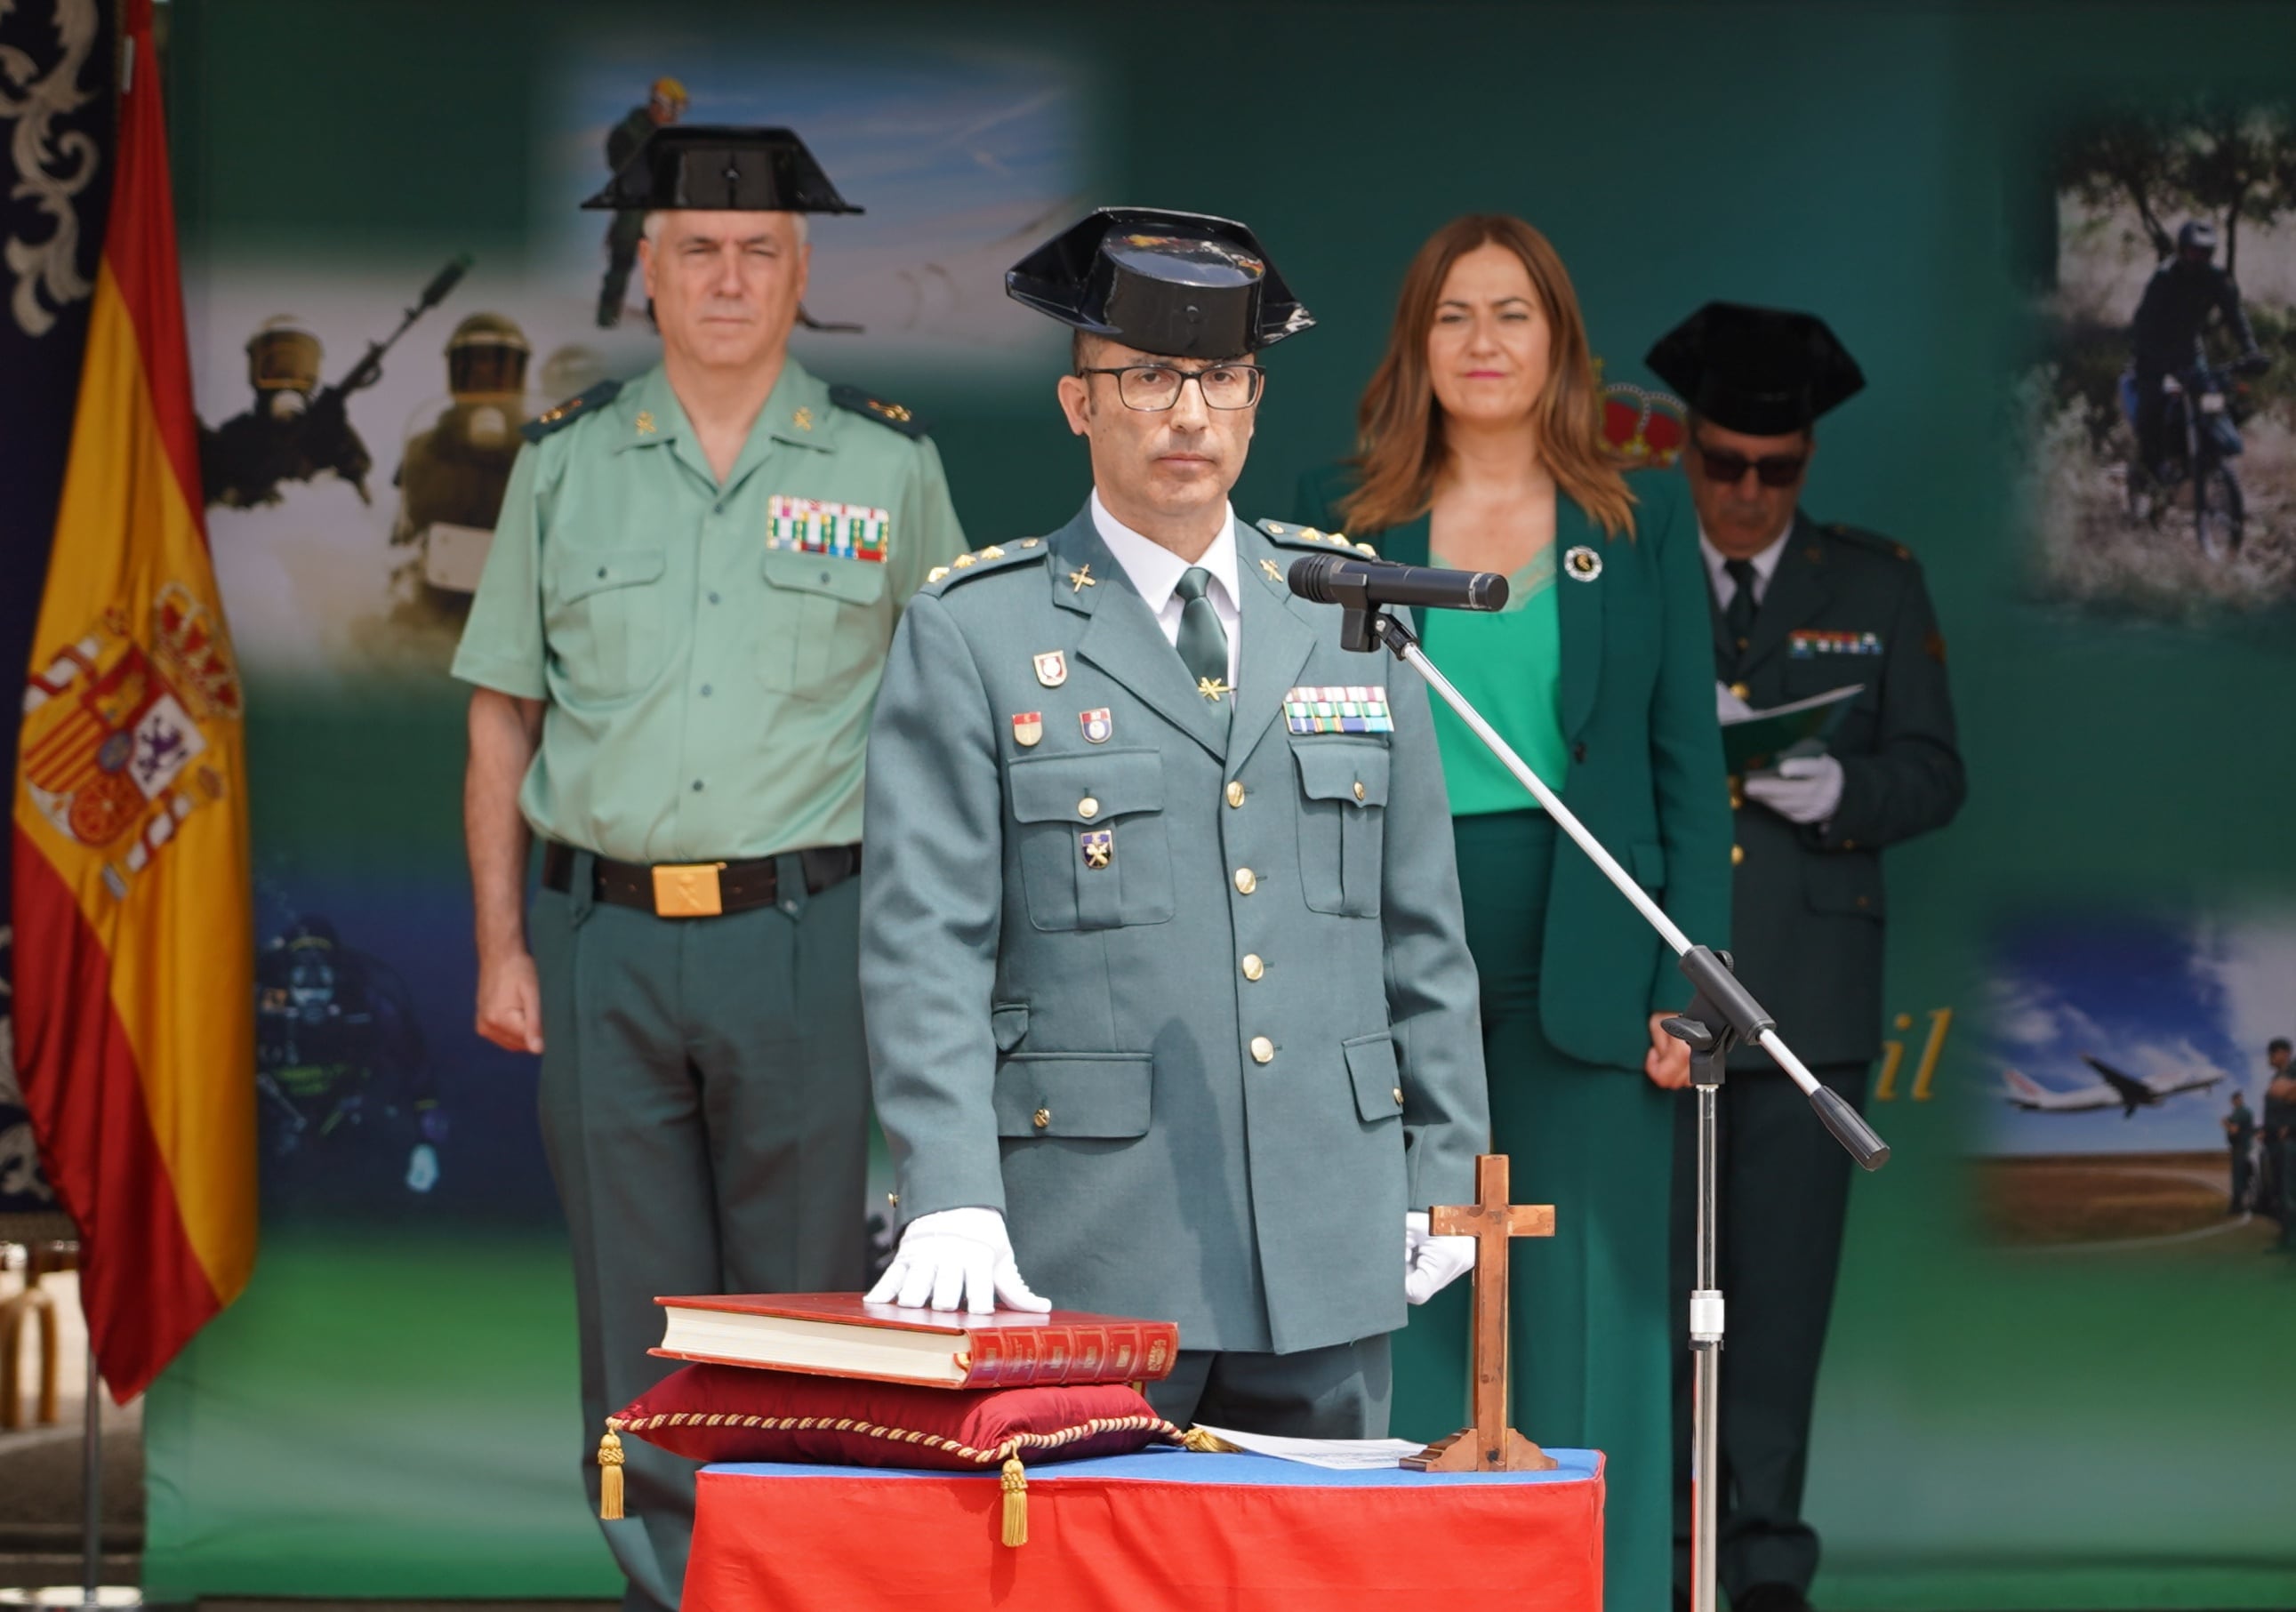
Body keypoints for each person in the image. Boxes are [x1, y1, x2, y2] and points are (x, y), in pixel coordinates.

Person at [860, 208, 1489, 1438]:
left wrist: (1448, 1164)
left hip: (1328, 1226)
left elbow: (1421, 936)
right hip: (1087, 1239)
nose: (1188, 413)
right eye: (1147, 376)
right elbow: (924, 945)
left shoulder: (1348, 618)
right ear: (1076, 405)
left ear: (1254, 402)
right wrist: (946, 1186)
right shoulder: (975, 632)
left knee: (1324, 1573)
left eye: (1220, 378)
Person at [451, 125, 966, 1612]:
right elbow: (502, 719)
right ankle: (664, 1588)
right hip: (601, 939)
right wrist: (502, 945)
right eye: (694, 247)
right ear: (649, 278)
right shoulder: (563, 469)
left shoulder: (887, 464)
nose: (727, 274)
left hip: (811, 938)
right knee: (636, 1321)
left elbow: (954, 732)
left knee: (803, 1311)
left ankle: (794, 1586)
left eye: (757, 250)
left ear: (802, 274)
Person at [1296, 213, 1732, 1612]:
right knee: (1402, 1289)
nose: (1483, 345)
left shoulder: (1640, 515)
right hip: (1379, 951)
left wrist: (1695, 978)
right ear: (1413, 349)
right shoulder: (1340, 522)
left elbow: (1685, 764)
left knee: (1591, 1309)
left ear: (1558, 345)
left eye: (1512, 316)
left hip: (1595, 949)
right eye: (1452, 318)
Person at [1646, 299, 1967, 1612]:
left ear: (1806, 465)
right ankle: (1658, 1558)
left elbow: (1935, 773)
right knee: (1654, 1298)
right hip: (1664, 995)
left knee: (1775, 1309)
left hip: (1809, 996)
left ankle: (1764, 1562)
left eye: (1771, 470)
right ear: (1685, 453)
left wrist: (1841, 791)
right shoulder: (1638, 565)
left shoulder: (1875, 579)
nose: (1741, 491)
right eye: (1719, 464)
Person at [2129, 220, 2267, 483]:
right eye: (2193, 251)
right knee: (2152, 409)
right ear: (2181, 250)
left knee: (2215, 401)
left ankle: (2207, 455)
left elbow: (2236, 317)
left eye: (2204, 252)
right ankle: (2152, 469)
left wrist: (2251, 351)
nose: (2197, 257)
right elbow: (2143, 322)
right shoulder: (2164, 278)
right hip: (2154, 354)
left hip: (2189, 352)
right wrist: (2147, 356)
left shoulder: (2216, 279)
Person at [597, 77, 686, 327]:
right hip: (634, 205)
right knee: (622, 258)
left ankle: (659, 318)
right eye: (672, 110)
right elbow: (618, 163)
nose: (674, 117)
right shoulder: (630, 130)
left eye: (678, 112)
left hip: (661, 208)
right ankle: (607, 318)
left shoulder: (669, 137)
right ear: (657, 105)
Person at [2266, 1038, 2296, 1253]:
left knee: (2290, 1194)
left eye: (2272, 1053)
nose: (2269, 1058)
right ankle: (2287, 1239)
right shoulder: (2277, 1077)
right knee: (2281, 1194)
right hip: (2275, 1142)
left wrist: (2291, 1126)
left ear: (2284, 1053)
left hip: (2290, 1141)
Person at [2225, 1089, 2256, 1215]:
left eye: (2236, 1099)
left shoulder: (2241, 1113)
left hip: (2241, 1148)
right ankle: (2245, 1203)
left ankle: (2238, 1206)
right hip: (2243, 1147)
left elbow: (2234, 1130)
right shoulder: (2242, 1112)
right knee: (2245, 1177)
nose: (2235, 1102)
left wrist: (2225, 1123)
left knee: (2239, 1177)